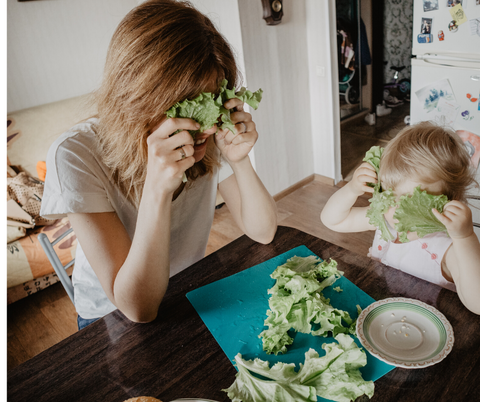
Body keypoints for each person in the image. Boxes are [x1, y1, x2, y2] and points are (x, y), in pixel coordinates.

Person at [40, 0, 277, 330]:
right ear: (136, 96)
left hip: (186, 290)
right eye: (181, 105)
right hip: (109, 315)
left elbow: (263, 232)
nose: (201, 126)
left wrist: (240, 162)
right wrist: (157, 188)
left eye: (208, 101)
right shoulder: (74, 154)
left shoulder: (204, 137)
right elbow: (137, 308)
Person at [321, 122, 480, 315]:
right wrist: (352, 189)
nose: (395, 210)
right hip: (382, 311)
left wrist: (465, 238)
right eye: (388, 194)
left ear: (448, 202)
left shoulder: (447, 248)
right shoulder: (385, 222)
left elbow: (477, 303)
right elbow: (333, 220)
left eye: (410, 202)